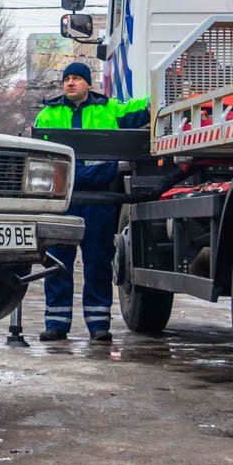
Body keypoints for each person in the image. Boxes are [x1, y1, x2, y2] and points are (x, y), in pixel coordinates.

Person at [33, 62, 149, 344]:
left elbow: (144, 108)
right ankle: (56, 324)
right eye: (67, 79)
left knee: (98, 262)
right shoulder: (48, 114)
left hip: (98, 200)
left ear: (88, 83)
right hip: (62, 201)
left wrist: (169, 84)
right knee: (57, 262)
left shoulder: (109, 110)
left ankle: (99, 326)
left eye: (76, 79)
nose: (70, 83)